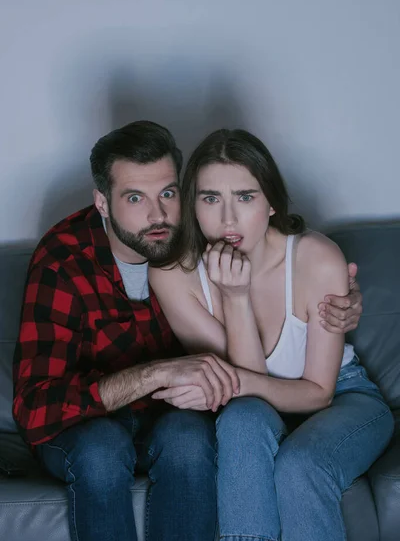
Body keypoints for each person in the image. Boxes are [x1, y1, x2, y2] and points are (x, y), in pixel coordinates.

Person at [13, 121, 363, 541]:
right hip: (88, 425)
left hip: (171, 417)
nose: (157, 214)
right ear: (102, 203)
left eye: (167, 193)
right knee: (102, 451)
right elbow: (35, 407)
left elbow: (284, 265)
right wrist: (156, 374)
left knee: (189, 441)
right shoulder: (63, 261)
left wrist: (341, 299)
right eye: (134, 198)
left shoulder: (194, 238)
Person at [149, 128, 394, 541]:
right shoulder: (174, 274)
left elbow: (318, 392)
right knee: (242, 419)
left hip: (344, 398)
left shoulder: (316, 257)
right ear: (192, 205)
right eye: (211, 199)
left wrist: (234, 372)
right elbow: (247, 398)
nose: (228, 219)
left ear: (272, 204)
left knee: (301, 464)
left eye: (245, 197)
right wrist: (236, 298)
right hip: (253, 414)